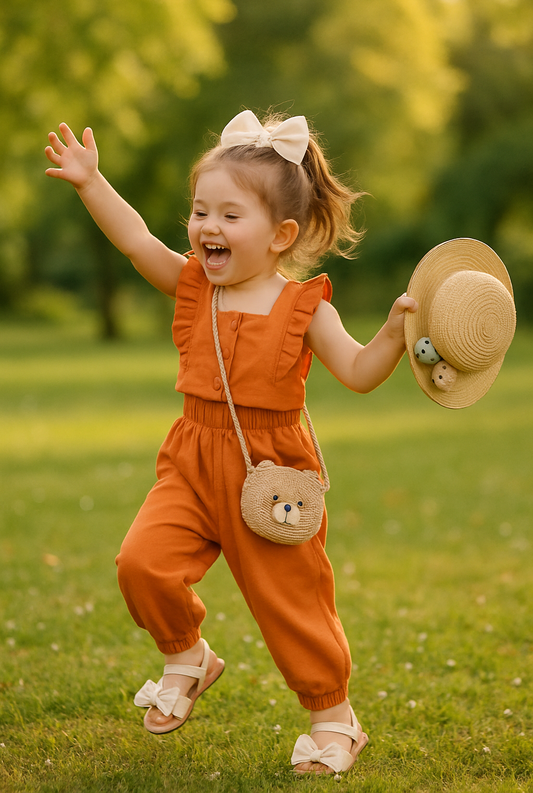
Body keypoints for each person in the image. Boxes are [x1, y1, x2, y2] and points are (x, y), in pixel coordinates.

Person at [45, 110, 417, 776]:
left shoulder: (306, 307)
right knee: (141, 564)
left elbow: (359, 373)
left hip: (271, 473)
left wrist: (391, 331)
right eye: (199, 213)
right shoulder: (193, 284)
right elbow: (135, 241)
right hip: (190, 457)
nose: (206, 229)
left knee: (293, 602)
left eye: (228, 216)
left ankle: (334, 720)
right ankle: (187, 654)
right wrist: (91, 183)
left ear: (281, 234)